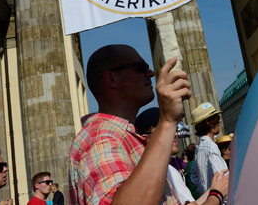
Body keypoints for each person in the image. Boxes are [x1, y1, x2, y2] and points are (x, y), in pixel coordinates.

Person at [68, 44, 227, 205]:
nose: (150, 73)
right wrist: (167, 121)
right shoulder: (101, 136)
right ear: (111, 79)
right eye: (141, 68)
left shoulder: (118, 136)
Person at [135, 107, 226, 205]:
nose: (176, 134)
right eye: (166, 129)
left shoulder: (157, 170)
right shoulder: (166, 172)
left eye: (174, 128)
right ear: (145, 139)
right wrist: (217, 194)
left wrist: (213, 189)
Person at [190, 103, 228, 199]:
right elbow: (222, 181)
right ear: (209, 122)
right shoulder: (211, 147)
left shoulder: (199, 147)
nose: (219, 121)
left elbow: (193, 177)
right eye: (216, 118)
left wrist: (203, 189)